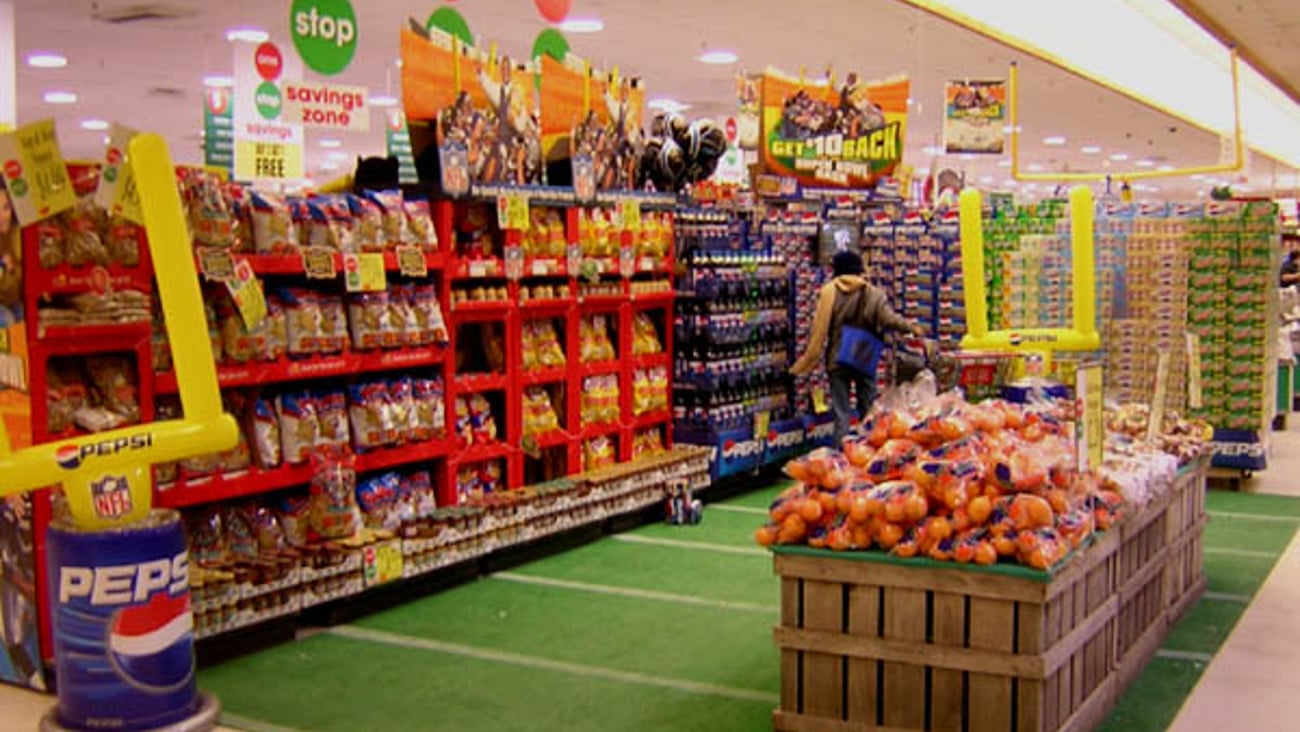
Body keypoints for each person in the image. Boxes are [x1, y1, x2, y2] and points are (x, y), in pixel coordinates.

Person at [790, 249, 924, 445]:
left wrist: (803, 365)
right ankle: (868, 454)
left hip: (837, 360)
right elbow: (889, 319)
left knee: (841, 413)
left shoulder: (829, 292)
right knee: (869, 411)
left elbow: (818, 332)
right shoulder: (873, 293)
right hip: (864, 357)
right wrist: (911, 328)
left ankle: (841, 461)